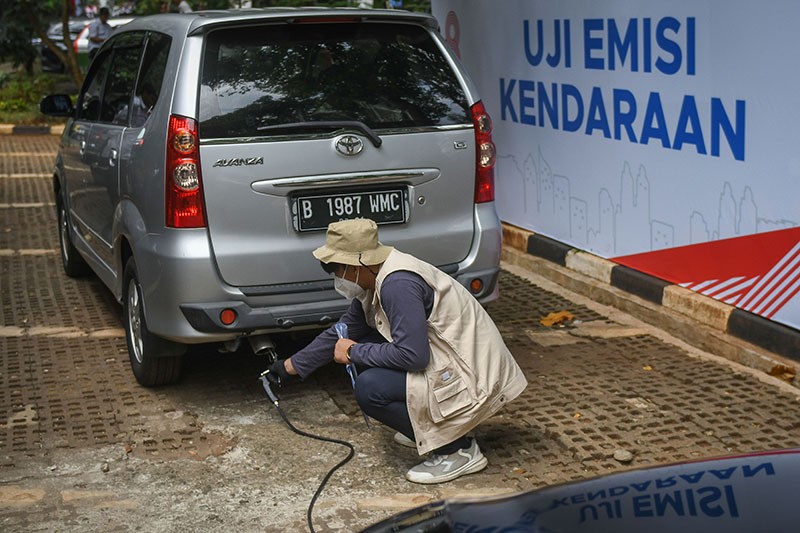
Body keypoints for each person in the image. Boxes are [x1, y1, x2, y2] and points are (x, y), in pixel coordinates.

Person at [267, 219, 527, 484]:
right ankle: (429, 426)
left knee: (370, 388)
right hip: (454, 361)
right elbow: (342, 332)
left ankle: (457, 450)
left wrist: (354, 352)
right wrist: (291, 367)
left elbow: (414, 356)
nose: (337, 278)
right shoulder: (376, 278)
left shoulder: (397, 284)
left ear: (355, 265)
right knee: (367, 347)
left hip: (475, 376)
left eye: (337, 270)